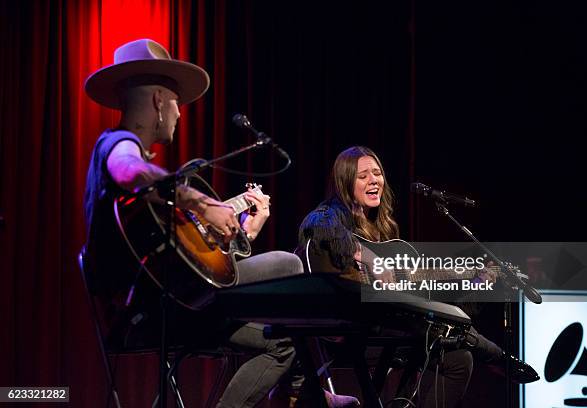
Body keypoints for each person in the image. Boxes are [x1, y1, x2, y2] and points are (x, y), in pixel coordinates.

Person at [83, 38, 356, 408]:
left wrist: (243, 232)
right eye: (177, 102)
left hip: (181, 303)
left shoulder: (150, 206)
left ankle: (299, 389)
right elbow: (129, 170)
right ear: (159, 101)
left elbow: (189, 267)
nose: (180, 113)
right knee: (290, 264)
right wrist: (204, 204)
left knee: (282, 342)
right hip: (155, 313)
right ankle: (304, 391)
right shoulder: (116, 144)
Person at [298, 146, 539, 407]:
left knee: (459, 360)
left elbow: (418, 287)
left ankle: (485, 352)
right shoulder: (329, 215)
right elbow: (315, 225)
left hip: (384, 329)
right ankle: (494, 354)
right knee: (439, 332)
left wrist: (473, 279)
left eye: (377, 173)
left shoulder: (383, 233)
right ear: (345, 182)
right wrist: (368, 256)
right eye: (363, 175)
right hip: (346, 334)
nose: (373, 181)